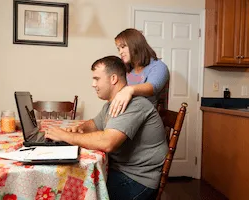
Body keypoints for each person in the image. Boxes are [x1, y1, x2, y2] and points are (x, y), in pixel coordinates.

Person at [45, 56, 168, 200]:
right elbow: (95, 124)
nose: (93, 84)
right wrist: (79, 129)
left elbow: (108, 143)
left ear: (113, 78)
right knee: (72, 184)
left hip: (138, 180)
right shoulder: (111, 104)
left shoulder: (134, 104)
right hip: (121, 170)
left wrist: (65, 136)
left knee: (78, 193)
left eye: (96, 79)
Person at [109, 28, 170, 117]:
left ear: (135, 45)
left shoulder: (159, 67)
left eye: (123, 47)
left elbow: (152, 87)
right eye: (118, 49)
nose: (120, 52)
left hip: (147, 118)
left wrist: (129, 90)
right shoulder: (128, 69)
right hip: (129, 115)